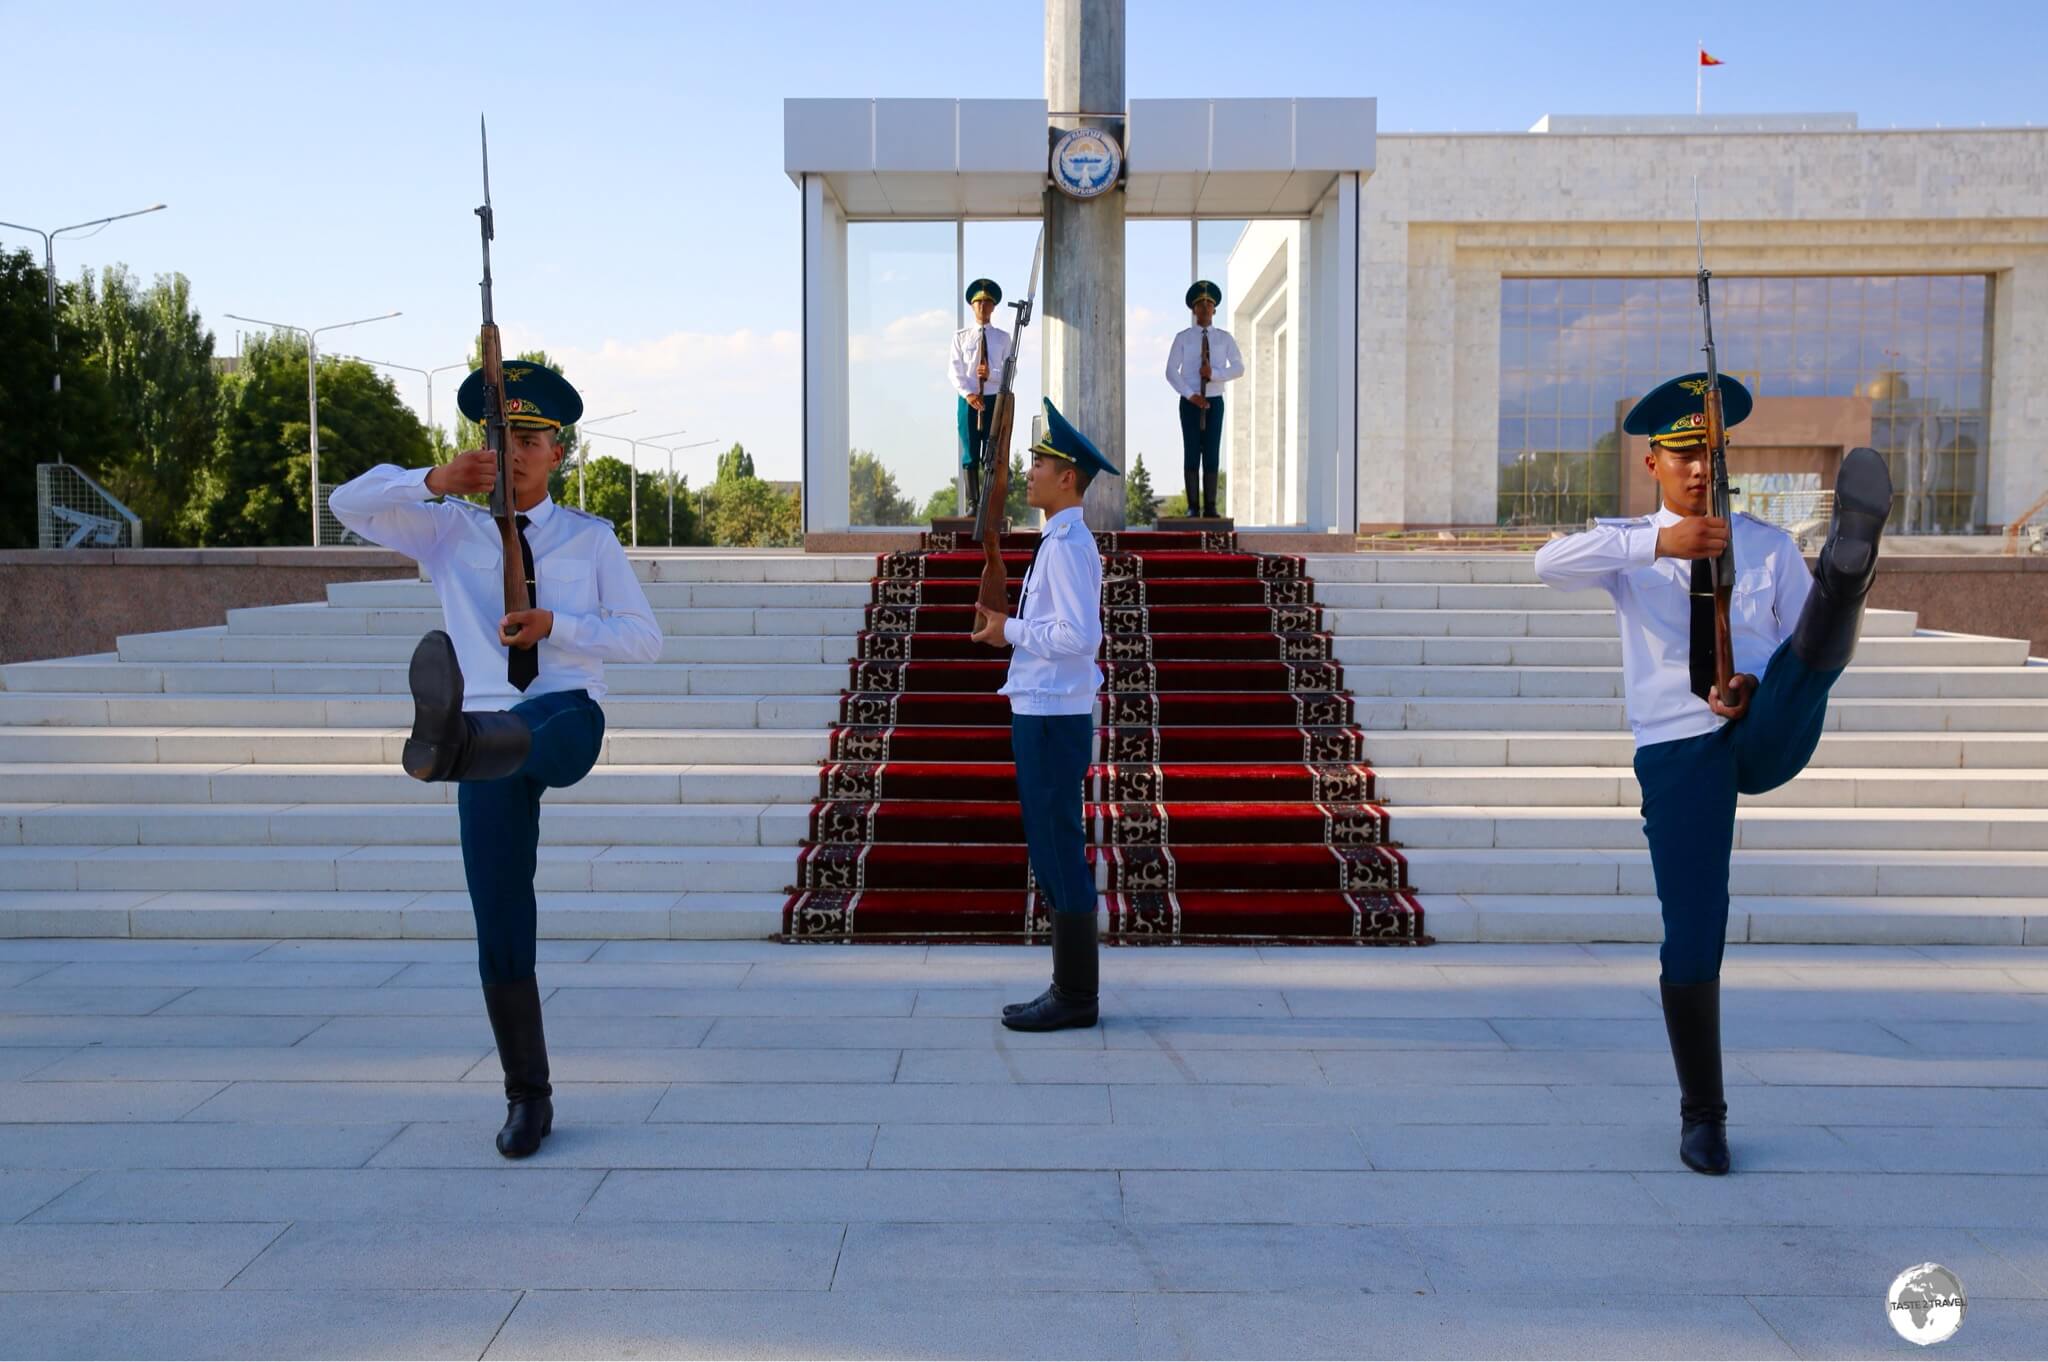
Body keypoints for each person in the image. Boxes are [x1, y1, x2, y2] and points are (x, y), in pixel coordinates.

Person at [1533, 372, 1893, 1176]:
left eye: (1713, 454)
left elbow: (1805, 650)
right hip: (1678, 750)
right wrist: (1659, 543)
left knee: (1813, 648)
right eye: (1685, 454)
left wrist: (1753, 681)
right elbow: (1545, 563)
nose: (1701, 470)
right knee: (1693, 932)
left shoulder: (1763, 544)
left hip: (1764, 729)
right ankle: (1704, 1116)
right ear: (1654, 462)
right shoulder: (1627, 544)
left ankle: (1848, 573)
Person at [329, 361, 661, 1158]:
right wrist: (433, 478)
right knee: (499, 917)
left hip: (560, 718)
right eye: (496, 436)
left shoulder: (590, 538)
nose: (510, 452)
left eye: (527, 438)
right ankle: (527, 1098)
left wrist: (560, 625)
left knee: (535, 731)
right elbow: (346, 503)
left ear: (558, 452)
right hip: (478, 735)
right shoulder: (448, 529)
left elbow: (644, 640)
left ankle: (458, 742)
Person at [971, 399, 1120, 1031]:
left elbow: (1079, 637)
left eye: (1039, 462)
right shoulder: (1060, 540)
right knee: (1051, 844)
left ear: (1068, 478)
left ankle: (1075, 997)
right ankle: (1068, 988)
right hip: (1046, 707)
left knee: (1057, 847)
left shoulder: (1064, 546)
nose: (1028, 471)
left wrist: (1010, 630)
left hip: (1053, 714)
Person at [1163, 279, 1244, 518]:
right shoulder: (1184, 338)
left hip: (1214, 400)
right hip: (1190, 402)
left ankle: (1210, 506)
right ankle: (1192, 506)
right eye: (1200, 304)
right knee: (1191, 450)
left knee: (1211, 451)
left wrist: (1215, 374)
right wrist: (1191, 395)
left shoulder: (1224, 338)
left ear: (1215, 309)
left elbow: (1239, 368)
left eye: (1209, 304)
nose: (1205, 309)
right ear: (1193, 309)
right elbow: (1170, 371)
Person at [951, 278, 1011, 514]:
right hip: (969, 400)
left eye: (987, 302)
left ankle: (990, 502)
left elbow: (1009, 370)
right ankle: (973, 503)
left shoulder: (1002, 338)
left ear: (994, 306)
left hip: (993, 397)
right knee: (970, 451)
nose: (982, 307)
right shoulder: (961, 337)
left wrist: (991, 373)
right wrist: (968, 394)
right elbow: (954, 370)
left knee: (992, 451)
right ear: (972, 306)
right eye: (978, 302)